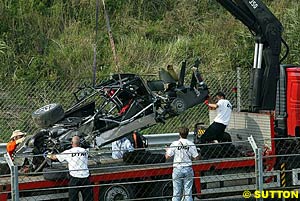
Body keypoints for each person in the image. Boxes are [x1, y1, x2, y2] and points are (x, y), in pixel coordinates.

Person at [47, 136, 93, 201]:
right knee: (88, 198)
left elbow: (54, 157)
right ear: (80, 143)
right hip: (85, 177)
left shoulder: (68, 152)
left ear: (71, 142)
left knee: (73, 198)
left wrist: (47, 154)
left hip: (74, 177)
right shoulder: (85, 151)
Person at [165, 127, 199, 201]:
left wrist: (167, 150)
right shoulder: (190, 144)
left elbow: (168, 156)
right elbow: (196, 157)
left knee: (176, 193)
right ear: (187, 134)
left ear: (179, 134)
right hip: (188, 168)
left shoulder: (175, 143)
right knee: (188, 193)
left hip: (178, 168)